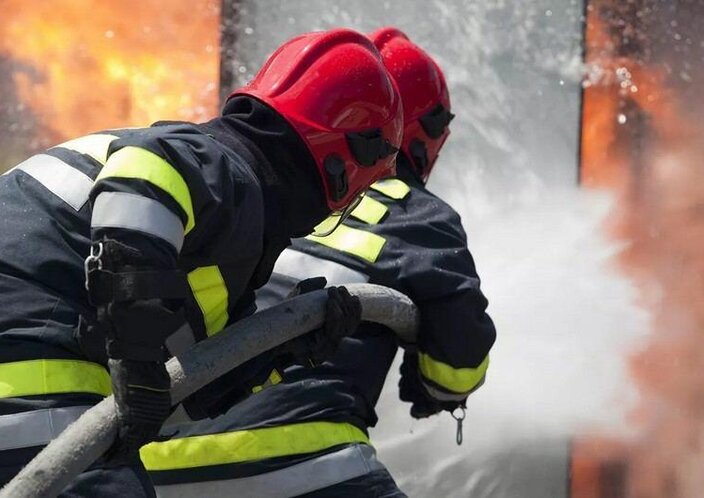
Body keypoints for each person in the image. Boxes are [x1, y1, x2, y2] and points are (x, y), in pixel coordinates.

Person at [0, 28, 403, 497]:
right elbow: (146, 173)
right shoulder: (221, 167)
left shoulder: (211, 231)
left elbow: (171, 400)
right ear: (344, 162)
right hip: (10, 372)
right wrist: (135, 356)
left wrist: (284, 353)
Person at [144, 27, 497, 498]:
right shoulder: (415, 214)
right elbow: (458, 367)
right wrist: (432, 384)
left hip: (151, 465)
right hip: (296, 460)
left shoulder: (249, 190)